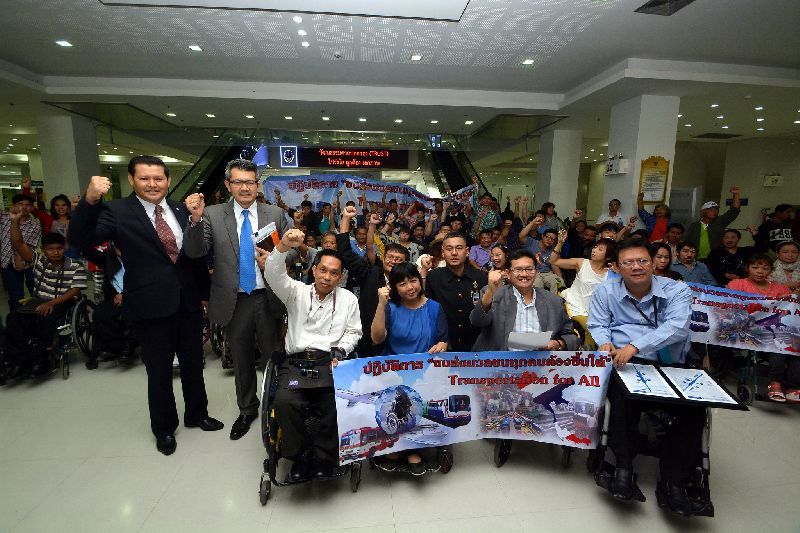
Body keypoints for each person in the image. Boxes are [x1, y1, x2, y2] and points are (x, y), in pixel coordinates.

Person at [69, 156, 222, 456]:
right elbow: (79, 238)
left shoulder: (180, 208)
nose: (152, 184)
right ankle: (164, 429)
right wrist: (89, 200)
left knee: (193, 364)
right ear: (131, 180)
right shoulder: (115, 211)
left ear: (167, 180)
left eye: (158, 178)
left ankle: (197, 414)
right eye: (145, 178)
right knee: (159, 371)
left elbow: (193, 258)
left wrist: (204, 295)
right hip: (149, 305)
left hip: (187, 302)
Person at [587, 239, 704, 516]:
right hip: (626, 363)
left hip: (670, 362)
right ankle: (624, 467)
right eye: (628, 262)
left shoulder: (678, 290)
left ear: (653, 263)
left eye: (642, 261)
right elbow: (598, 324)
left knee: (693, 408)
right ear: (616, 267)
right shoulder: (606, 292)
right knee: (621, 400)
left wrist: (635, 346)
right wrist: (604, 343)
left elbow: (677, 327)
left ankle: (674, 481)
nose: (636, 267)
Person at [183, 159, 291, 441]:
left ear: (258, 185)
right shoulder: (212, 215)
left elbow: (291, 250)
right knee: (241, 359)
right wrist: (194, 219)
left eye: (250, 182)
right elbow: (195, 251)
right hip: (235, 299)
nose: (245, 188)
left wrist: (278, 256)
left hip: (268, 297)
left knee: (273, 357)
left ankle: (276, 408)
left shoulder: (275, 213)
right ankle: (247, 410)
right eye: (238, 182)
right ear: (229, 185)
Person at [260, 228, 361, 480]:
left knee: (336, 404)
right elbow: (272, 272)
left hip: (330, 362)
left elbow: (354, 331)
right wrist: (283, 246)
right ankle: (300, 455)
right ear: (314, 270)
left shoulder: (348, 299)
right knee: (283, 403)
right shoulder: (295, 292)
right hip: (295, 363)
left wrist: (342, 348)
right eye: (323, 270)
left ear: (341, 276)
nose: (327, 277)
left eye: (334, 273)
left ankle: (324, 458)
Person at [370, 262, 448, 474]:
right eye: (402, 284)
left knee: (419, 401)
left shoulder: (434, 307)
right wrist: (381, 304)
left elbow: (443, 340)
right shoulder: (391, 308)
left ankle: (411, 450)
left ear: (420, 281)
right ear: (394, 287)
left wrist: (443, 344)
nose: (410, 287)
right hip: (392, 372)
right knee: (398, 400)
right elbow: (376, 339)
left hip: (424, 372)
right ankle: (403, 449)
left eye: (413, 280)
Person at [1, 214, 87, 379]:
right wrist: (13, 221)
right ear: (43, 250)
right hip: (37, 302)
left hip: (63, 303)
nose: (55, 252)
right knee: (13, 318)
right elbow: (18, 244)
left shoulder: (75, 266)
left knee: (47, 317)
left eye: (59, 248)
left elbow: (75, 290)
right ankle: (19, 360)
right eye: (50, 249)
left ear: (64, 247)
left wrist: (52, 303)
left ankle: (43, 358)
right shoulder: (39, 261)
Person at [470, 249, 578, 351]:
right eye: (518, 269)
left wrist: (559, 344)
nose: (524, 274)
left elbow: (571, 336)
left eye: (529, 269)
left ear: (536, 272)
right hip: (501, 363)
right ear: (507, 273)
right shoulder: (494, 295)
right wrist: (491, 292)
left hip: (540, 362)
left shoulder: (553, 301)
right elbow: (476, 321)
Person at [338, 207, 409, 356]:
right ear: (384, 258)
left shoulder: (410, 283)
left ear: (406, 263)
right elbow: (346, 254)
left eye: (399, 260)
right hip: (367, 341)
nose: (393, 262)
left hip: (400, 344)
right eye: (390, 257)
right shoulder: (371, 273)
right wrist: (345, 219)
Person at [727, 254, 796, 402]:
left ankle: (793, 387)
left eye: (765, 268)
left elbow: (789, 309)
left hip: (777, 327)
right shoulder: (737, 284)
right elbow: (730, 306)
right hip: (747, 328)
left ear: (771, 271)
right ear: (747, 268)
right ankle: (775, 383)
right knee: (777, 340)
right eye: (755, 267)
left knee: (795, 341)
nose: (760, 271)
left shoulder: (781, 288)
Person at [425, 232, 488, 351]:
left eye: (459, 248)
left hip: (476, 347)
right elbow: (428, 311)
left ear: (467, 251)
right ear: (443, 253)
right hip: (444, 346)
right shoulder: (433, 277)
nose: (454, 253)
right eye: (449, 249)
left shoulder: (481, 277)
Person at [552, 235, 616, 346]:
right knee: (590, 329)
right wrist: (559, 243)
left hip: (595, 310)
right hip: (574, 304)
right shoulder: (581, 263)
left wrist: (619, 267)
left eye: (600, 249)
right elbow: (554, 261)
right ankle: (586, 357)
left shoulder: (612, 272)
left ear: (608, 257)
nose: (594, 250)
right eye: (595, 247)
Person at [82, 242, 133, 369]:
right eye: (118, 247)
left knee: (132, 315)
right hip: (114, 298)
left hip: (136, 297)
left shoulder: (140, 258)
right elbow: (89, 251)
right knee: (99, 314)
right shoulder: (108, 259)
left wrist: (125, 295)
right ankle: (118, 345)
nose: (121, 250)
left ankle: (129, 344)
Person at [1, 193, 41, 314]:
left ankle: (36, 318)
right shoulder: (4, 218)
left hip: (28, 263)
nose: (24, 207)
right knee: (16, 296)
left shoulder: (35, 224)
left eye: (28, 205)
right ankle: (17, 323)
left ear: (32, 208)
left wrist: (19, 258)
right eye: (20, 204)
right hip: (7, 261)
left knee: (36, 291)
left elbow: (28, 244)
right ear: (13, 206)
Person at [686, 186, 741, 261]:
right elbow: (686, 241)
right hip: (696, 259)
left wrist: (736, 195)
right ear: (703, 211)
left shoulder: (720, 221)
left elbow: (734, 211)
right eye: (711, 210)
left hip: (716, 259)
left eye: (716, 209)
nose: (714, 212)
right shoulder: (695, 225)